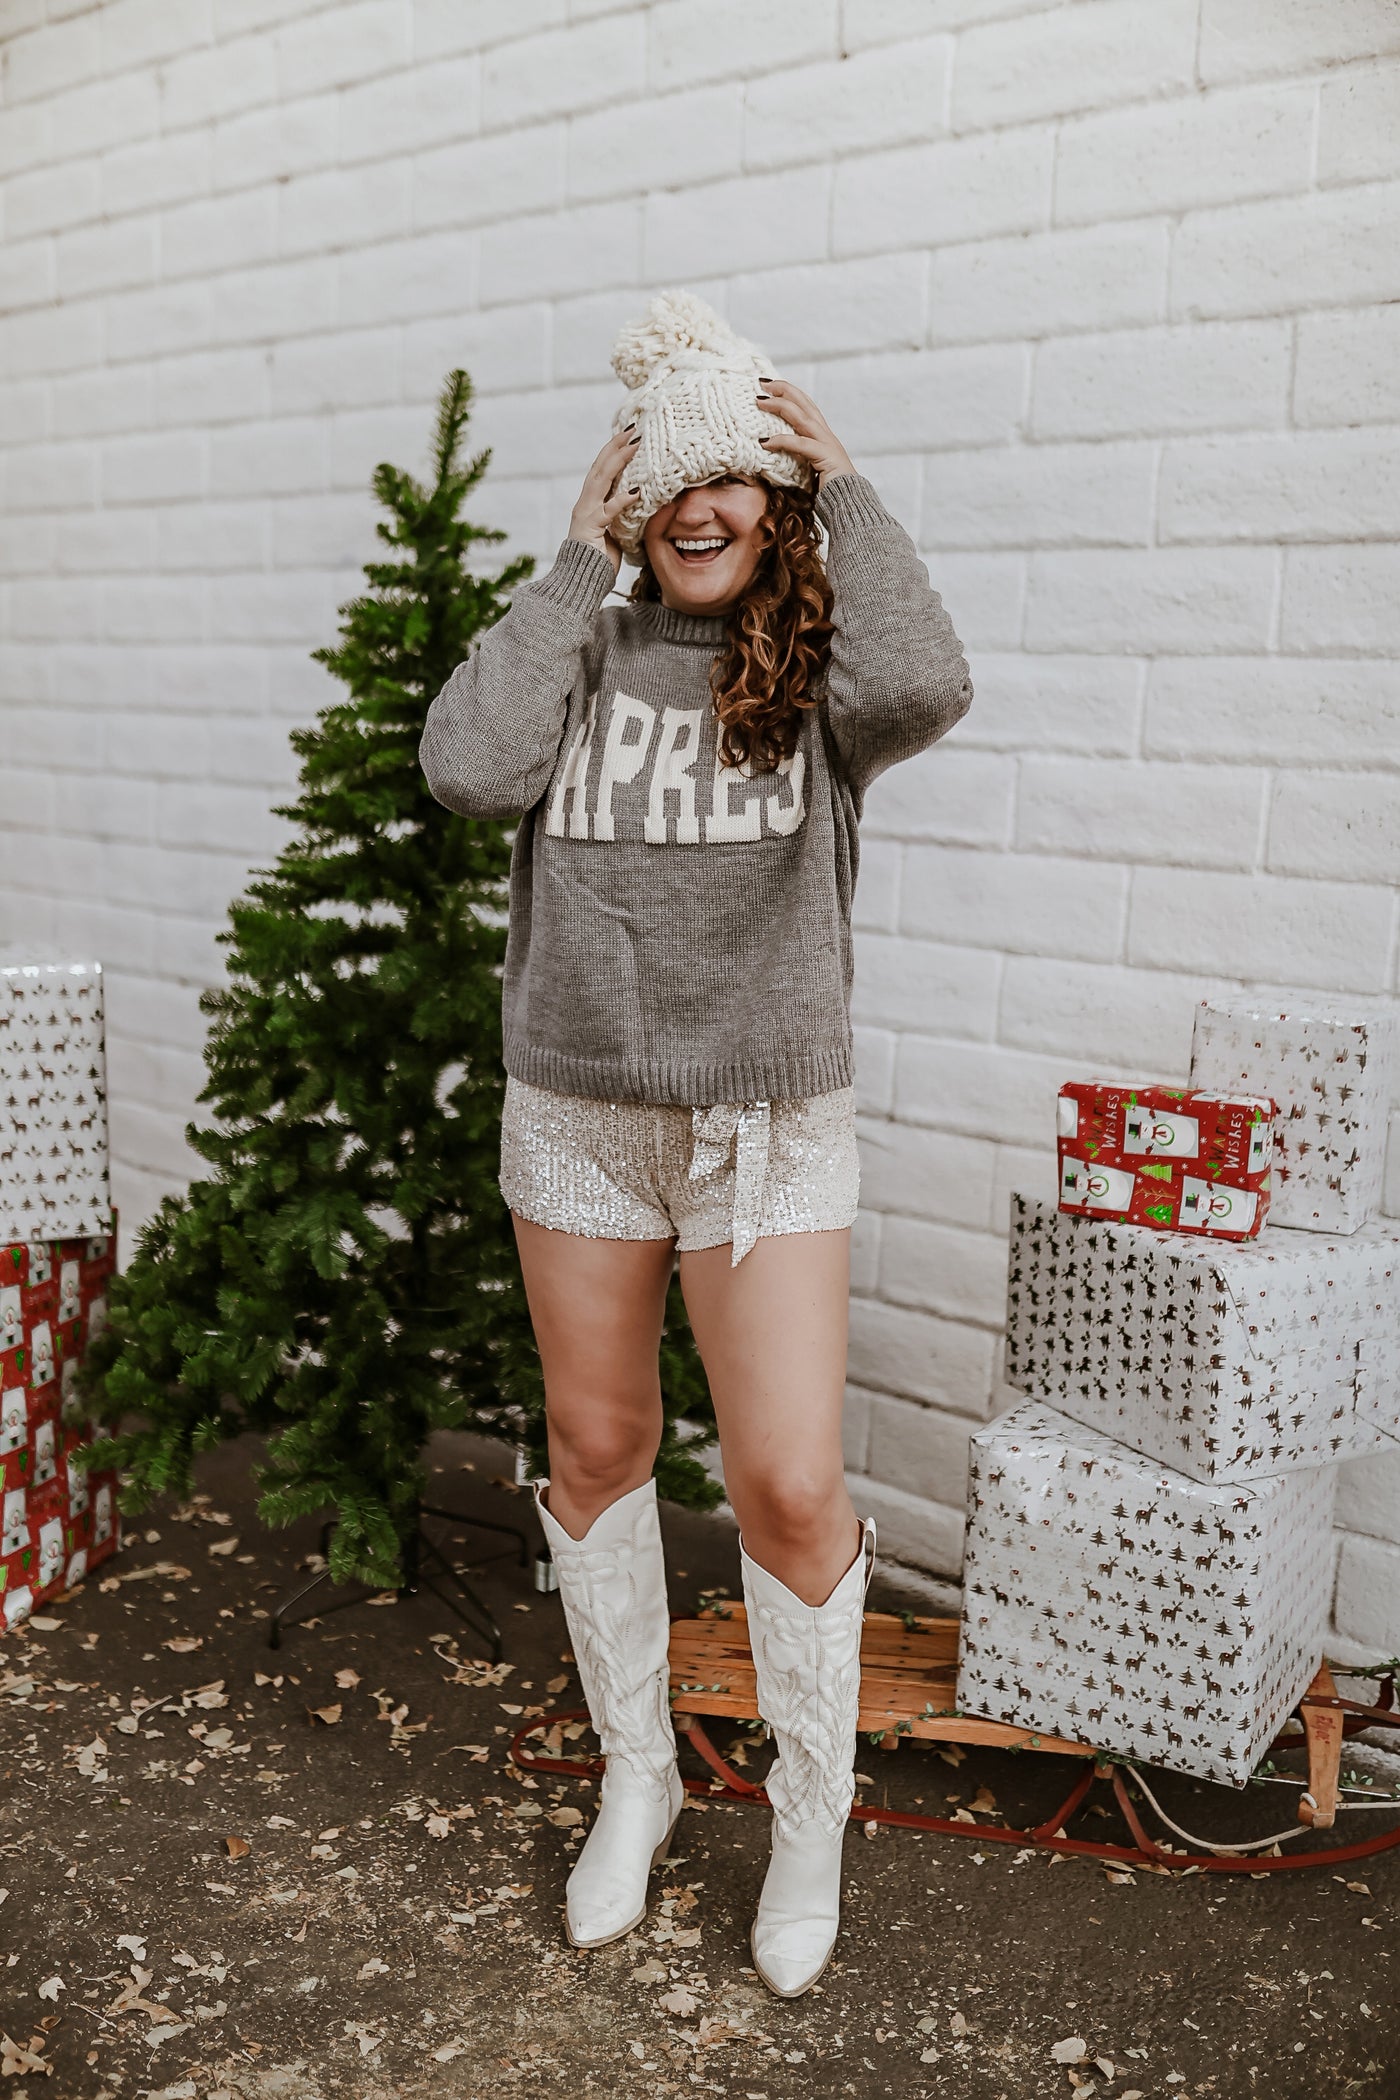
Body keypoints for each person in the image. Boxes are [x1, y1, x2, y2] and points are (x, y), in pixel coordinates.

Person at [420, 288, 973, 1998]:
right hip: (579, 1111)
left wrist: (853, 486)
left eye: (733, 478)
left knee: (789, 1485)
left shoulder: (818, 676)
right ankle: (640, 1774)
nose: (699, 506)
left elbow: (935, 676)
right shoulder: (578, 638)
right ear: (634, 497)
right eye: (671, 479)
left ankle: (811, 1812)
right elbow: (463, 767)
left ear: (772, 499)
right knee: (597, 1451)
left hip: (766, 1121)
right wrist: (567, 563)